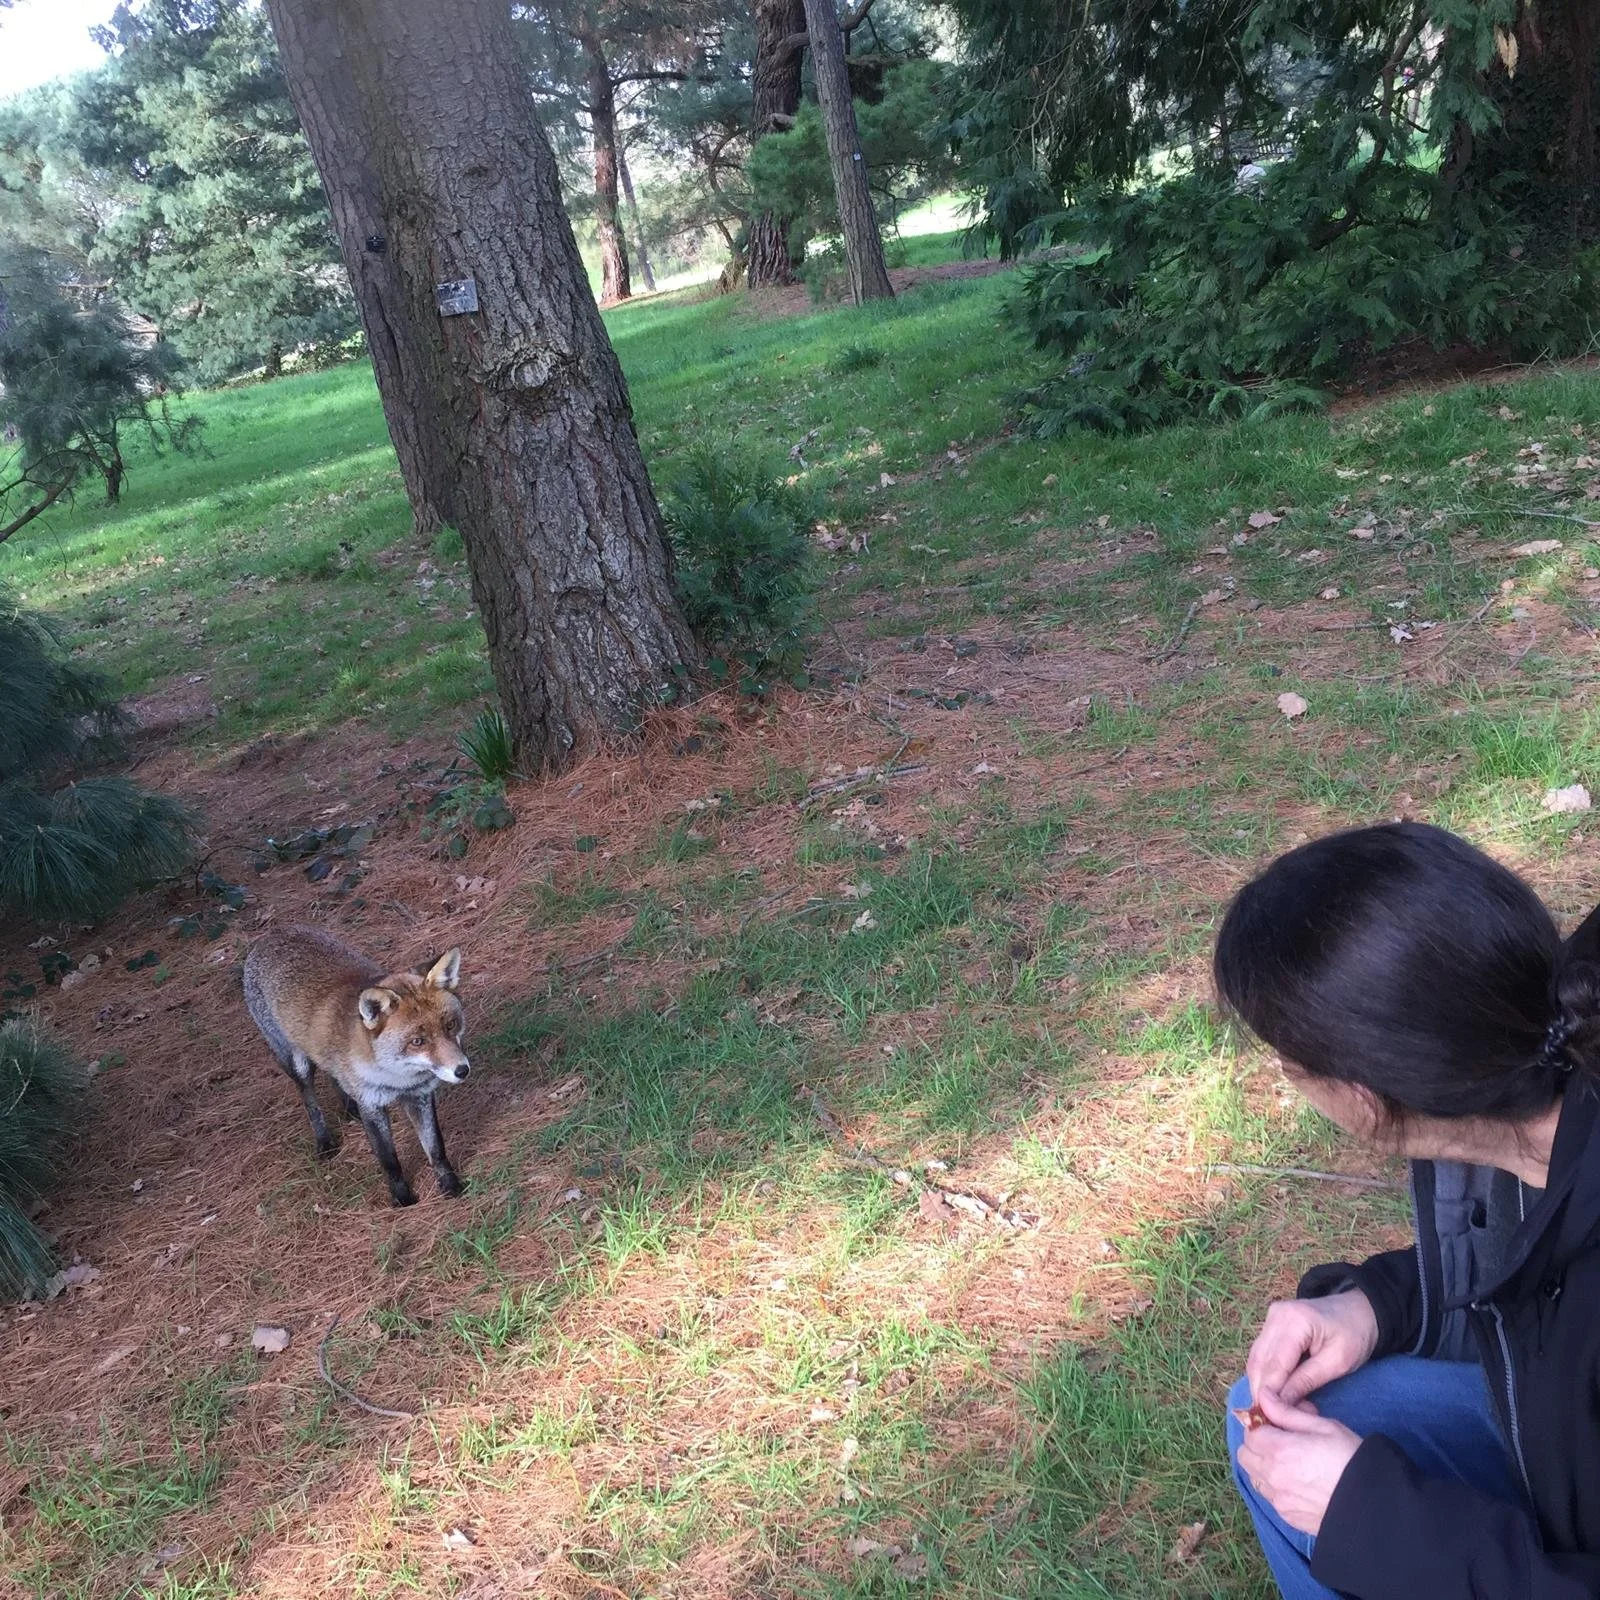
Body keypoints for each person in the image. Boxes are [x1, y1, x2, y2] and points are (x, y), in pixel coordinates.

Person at [1213, 820, 1600, 1599]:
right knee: (1266, 1412)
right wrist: (1378, 1307)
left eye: (1286, 1064)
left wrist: (1368, 1516)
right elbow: (1533, 1276)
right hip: (1565, 1465)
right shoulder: (1551, 1061)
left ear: (1362, 1097)